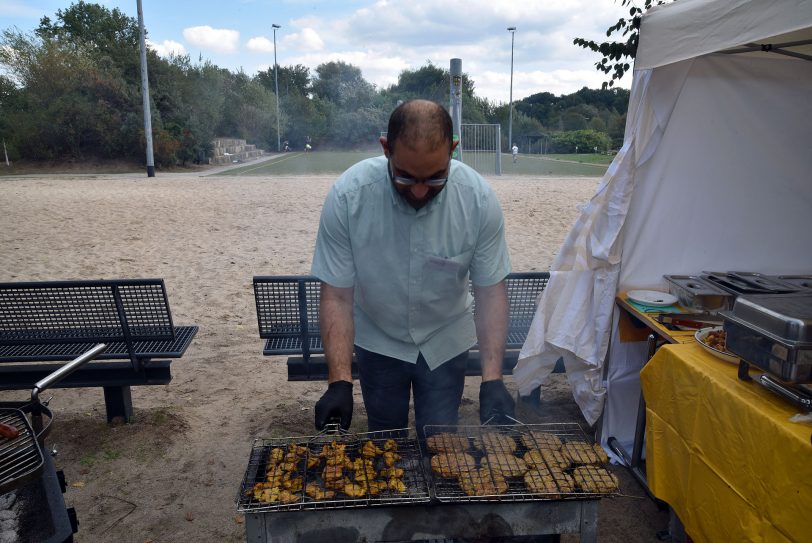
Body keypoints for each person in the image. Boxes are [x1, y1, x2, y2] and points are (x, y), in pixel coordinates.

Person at [311, 99, 515, 436]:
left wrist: (493, 379)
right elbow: (337, 296)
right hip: (380, 338)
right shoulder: (349, 196)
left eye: (436, 179)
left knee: (439, 438)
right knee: (385, 437)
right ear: (386, 148)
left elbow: (490, 292)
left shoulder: (478, 200)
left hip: (445, 338)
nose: (420, 191)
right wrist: (340, 382)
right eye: (405, 178)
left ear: (453, 150)